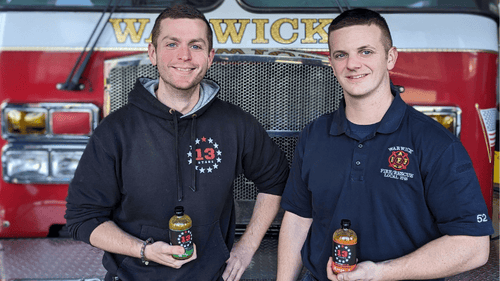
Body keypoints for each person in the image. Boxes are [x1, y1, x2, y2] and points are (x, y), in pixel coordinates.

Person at [65, 4, 289, 281]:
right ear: (152, 53)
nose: (184, 56)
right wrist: (144, 250)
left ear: (210, 57)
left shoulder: (235, 123)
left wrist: (246, 248)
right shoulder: (116, 130)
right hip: (132, 276)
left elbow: (276, 180)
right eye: (172, 44)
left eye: (195, 46)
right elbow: (82, 219)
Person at [277, 8, 493, 281]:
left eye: (365, 51)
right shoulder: (314, 135)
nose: (353, 64)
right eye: (341, 55)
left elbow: (473, 247)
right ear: (331, 63)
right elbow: (298, 219)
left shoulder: (435, 143)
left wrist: (379, 273)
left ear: (390, 58)